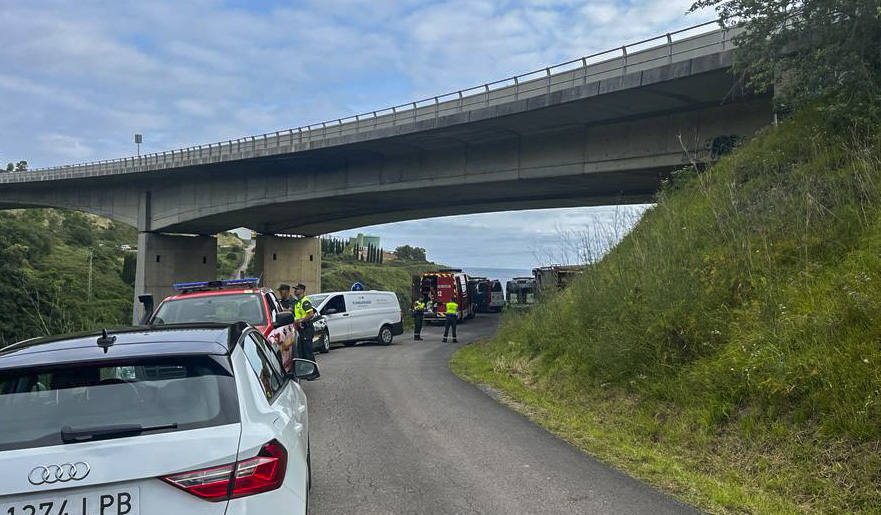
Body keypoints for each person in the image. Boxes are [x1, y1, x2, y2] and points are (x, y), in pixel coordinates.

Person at [293, 283, 317, 361]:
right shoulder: (298, 302)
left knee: (307, 352)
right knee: (302, 352)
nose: (295, 291)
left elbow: (310, 314)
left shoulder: (305, 301)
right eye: (295, 289)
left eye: (297, 289)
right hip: (301, 329)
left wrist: (300, 320)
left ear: (302, 291)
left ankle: (313, 370)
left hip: (306, 329)